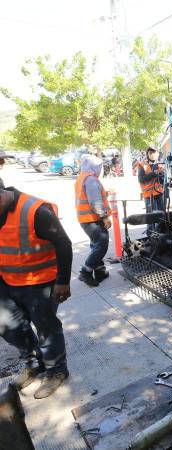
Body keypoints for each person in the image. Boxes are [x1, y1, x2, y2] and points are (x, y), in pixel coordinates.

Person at [0, 185, 73, 398]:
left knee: (46, 327)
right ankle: (33, 362)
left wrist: (63, 281)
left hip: (39, 283)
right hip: (5, 281)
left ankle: (56, 370)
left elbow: (63, 244)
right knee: (8, 325)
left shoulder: (36, 212)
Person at [75, 155, 111, 287]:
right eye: (99, 167)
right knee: (102, 244)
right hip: (93, 219)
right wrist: (104, 217)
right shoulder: (90, 179)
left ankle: (100, 271)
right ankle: (85, 272)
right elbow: (95, 202)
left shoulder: (82, 177)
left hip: (85, 219)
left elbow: (91, 195)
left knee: (96, 244)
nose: (100, 170)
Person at [138, 147, 165, 213]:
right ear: (147, 154)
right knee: (151, 217)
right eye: (150, 153)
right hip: (149, 196)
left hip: (159, 194)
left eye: (154, 153)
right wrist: (154, 173)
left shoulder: (159, 166)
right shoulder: (143, 165)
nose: (152, 155)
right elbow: (141, 179)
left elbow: (162, 181)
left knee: (162, 216)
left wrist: (162, 175)